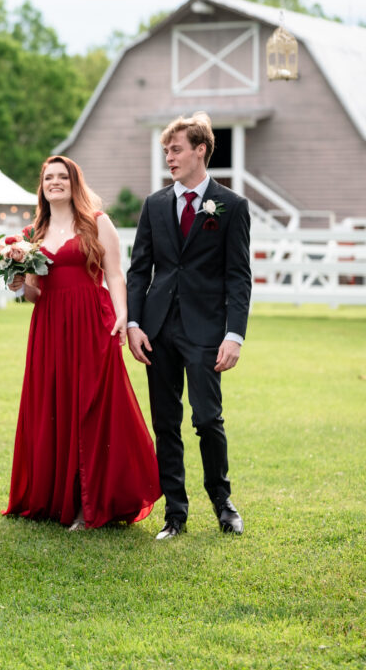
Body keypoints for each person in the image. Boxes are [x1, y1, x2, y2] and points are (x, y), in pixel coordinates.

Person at [3, 156, 161, 530]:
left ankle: (86, 503)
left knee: (89, 404)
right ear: (41, 186)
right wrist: (18, 284)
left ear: (75, 182)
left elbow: (115, 274)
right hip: (50, 325)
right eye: (48, 178)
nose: (55, 182)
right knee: (53, 402)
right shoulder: (32, 234)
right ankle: (55, 497)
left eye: (62, 177)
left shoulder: (96, 222)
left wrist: (123, 315)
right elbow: (34, 294)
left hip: (93, 321)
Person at [126, 112, 251, 540]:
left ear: (201, 150)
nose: (169, 157)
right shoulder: (155, 204)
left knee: (207, 419)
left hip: (206, 331)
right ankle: (175, 514)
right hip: (157, 329)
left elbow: (239, 275)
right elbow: (140, 269)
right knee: (165, 421)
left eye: (176, 149)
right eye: (166, 150)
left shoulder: (231, 206)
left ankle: (222, 501)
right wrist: (134, 323)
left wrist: (234, 334)